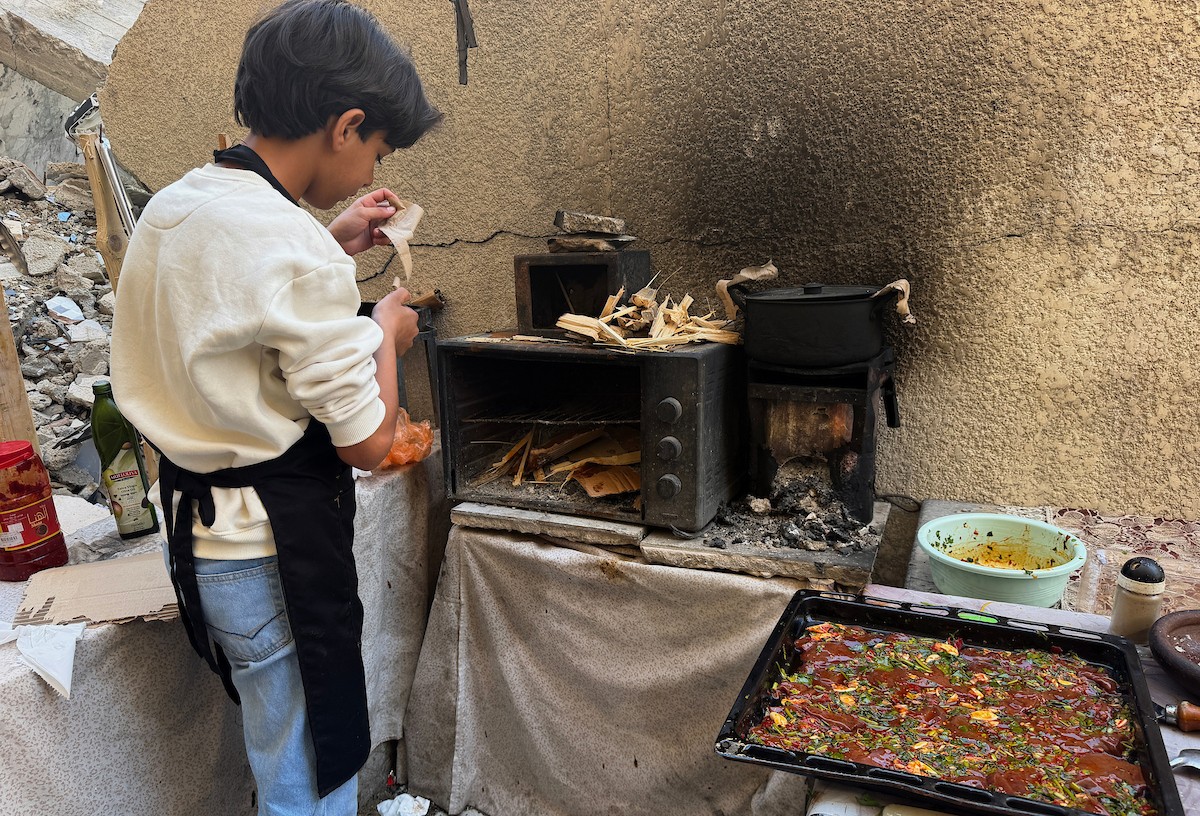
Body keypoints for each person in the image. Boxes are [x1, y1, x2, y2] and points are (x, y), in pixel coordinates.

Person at [108, 1, 442, 813]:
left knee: (275, 732)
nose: (370, 176)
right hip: (272, 553)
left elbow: (234, 302)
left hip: (196, 535)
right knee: (311, 764)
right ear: (346, 125)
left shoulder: (178, 205)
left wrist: (331, 242)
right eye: (377, 152)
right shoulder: (287, 247)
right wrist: (385, 338)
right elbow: (366, 443)